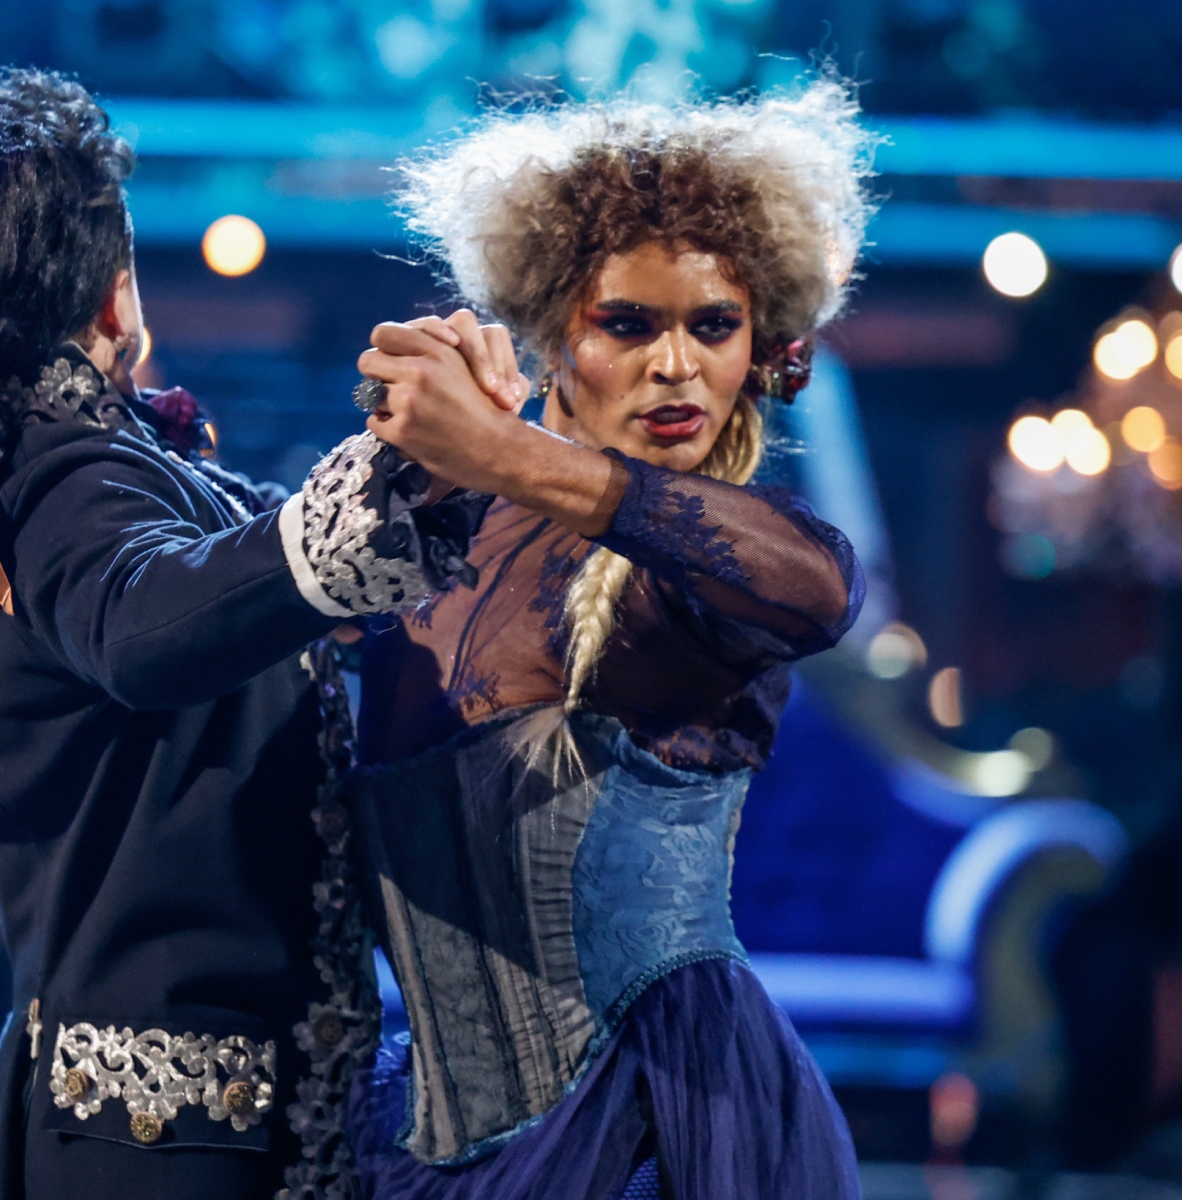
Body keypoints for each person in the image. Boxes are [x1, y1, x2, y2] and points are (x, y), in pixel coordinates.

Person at [0, 69, 527, 1200]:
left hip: (177, 1116)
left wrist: (431, 464)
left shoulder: (50, 466)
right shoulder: (64, 470)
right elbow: (150, 624)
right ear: (109, 295)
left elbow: (243, 574)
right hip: (155, 1131)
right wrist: (417, 469)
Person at [339, 82, 876, 1200]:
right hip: (424, 1139)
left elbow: (820, 591)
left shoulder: (720, 565)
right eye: (627, 324)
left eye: (712, 326)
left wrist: (507, 454)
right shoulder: (435, 534)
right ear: (547, 335)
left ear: (764, 347)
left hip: (668, 1133)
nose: (675, 366)